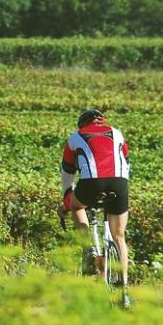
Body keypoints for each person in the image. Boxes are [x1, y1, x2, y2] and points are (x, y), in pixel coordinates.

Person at [57, 109, 131, 307]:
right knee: (119, 236)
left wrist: (67, 200)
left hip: (91, 183)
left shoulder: (75, 137)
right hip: (119, 183)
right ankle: (124, 290)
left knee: (78, 207)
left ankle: (88, 248)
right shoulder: (117, 133)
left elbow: (67, 171)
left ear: (82, 124)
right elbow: (126, 161)